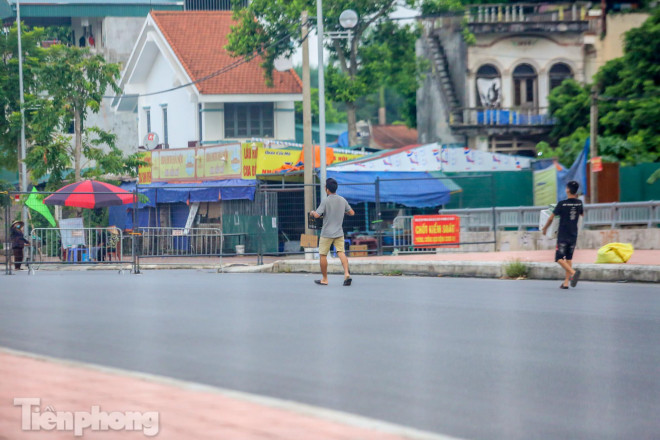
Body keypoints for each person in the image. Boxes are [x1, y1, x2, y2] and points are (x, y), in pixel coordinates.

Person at [310, 178, 355, 286]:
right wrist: (344, 211)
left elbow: (317, 215)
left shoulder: (326, 200)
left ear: (327, 189)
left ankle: (325, 279)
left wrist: (312, 212)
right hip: (339, 232)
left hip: (326, 233)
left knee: (323, 255)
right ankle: (347, 274)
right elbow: (352, 213)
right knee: (341, 252)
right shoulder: (342, 200)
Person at [542, 180, 584, 289]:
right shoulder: (579, 203)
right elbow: (582, 215)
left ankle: (573, 273)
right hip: (573, 234)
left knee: (559, 258)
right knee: (568, 258)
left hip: (563, 235)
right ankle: (566, 283)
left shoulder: (562, 204)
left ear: (568, 190)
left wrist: (545, 228)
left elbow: (551, 217)